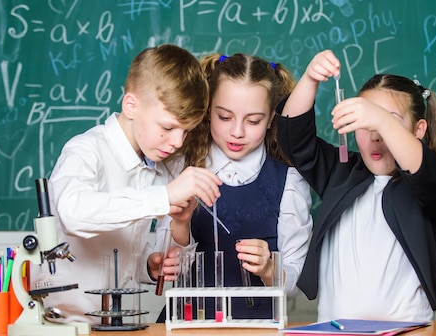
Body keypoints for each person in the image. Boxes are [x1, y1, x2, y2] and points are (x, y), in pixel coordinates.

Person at [32, 44, 222, 323]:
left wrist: (148, 264)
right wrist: (163, 196)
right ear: (131, 105)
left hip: (115, 321)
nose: (178, 142)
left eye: (187, 131)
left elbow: (118, 242)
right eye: (168, 128)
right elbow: (74, 213)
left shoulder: (155, 165)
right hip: (63, 323)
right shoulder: (85, 150)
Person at [275, 50, 436, 322]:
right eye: (366, 123)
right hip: (335, 329)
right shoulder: (340, 171)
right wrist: (309, 79)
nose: (375, 135)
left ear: (418, 130)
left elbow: (430, 178)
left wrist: (380, 120)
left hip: (408, 330)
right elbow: (294, 140)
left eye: (388, 122)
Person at [180, 53, 313, 320]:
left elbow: (296, 280)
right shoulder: (185, 171)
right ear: (208, 111)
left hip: (257, 325)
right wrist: (179, 225)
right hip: (188, 323)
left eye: (253, 121)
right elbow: (166, 261)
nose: (237, 132)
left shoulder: (289, 182)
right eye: (225, 117)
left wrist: (268, 268)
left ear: (271, 118)